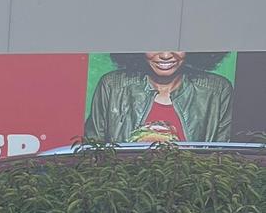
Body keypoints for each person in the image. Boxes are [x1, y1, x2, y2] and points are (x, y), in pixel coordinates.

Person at [84, 51, 233, 145]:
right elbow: (92, 152)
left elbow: (221, 157)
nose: (166, 55)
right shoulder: (113, 86)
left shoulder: (216, 90)